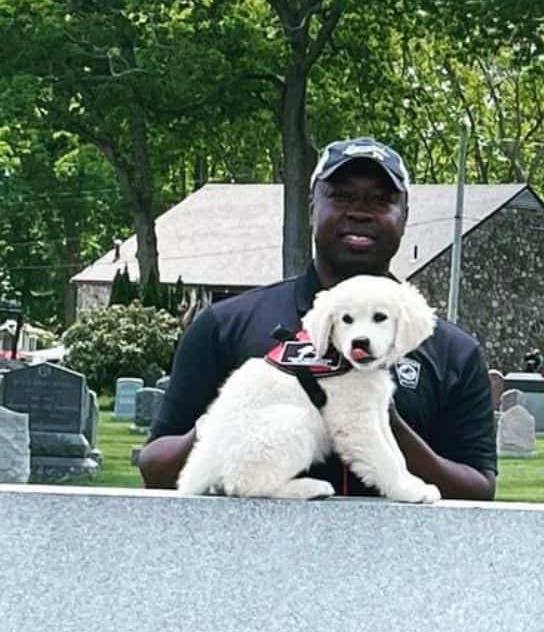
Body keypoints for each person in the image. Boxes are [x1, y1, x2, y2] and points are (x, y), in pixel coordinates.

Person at [140, 136, 496, 500]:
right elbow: (156, 471)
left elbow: (479, 491)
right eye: (341, 196)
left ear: (405, 216)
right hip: (255, 551)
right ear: (312, 208)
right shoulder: (225, 325)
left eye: (381, 200)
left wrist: (381, 419)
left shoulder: (452, 350)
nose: (360, 211)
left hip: (396, 554)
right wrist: (223, 422)